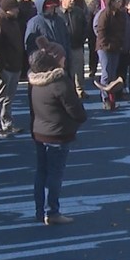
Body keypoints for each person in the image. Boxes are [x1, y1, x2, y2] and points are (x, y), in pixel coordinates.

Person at [28, 38, 87, 225]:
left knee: (41, 172)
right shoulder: (59, 81)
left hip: (40, 130)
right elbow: (74, 108)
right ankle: (52, 211)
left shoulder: (34, 82)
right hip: (58, 133)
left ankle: (40, 210)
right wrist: (80, 118)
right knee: (55, 173)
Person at [0, 0, 26, 137]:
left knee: (9, 98)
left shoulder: (13, 21)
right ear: (8, 9)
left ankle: (7, 123)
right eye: (15, 8)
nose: (17, 10)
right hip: (3, 66)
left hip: (15, 64)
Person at [94, 0, 127, 109]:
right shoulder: (105, 14)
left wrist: (120, 43)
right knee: (106, 73)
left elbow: (122, 30)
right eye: (117, 0)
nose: (119, 2)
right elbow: (101, 31)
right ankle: (105, 98)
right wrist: (106, 45)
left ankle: (112, 99)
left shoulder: (120, 14)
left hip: (116, 47)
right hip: (105, 48)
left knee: (113, 74)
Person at [61, 0, 88, 98]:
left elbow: (85, 27)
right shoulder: (58, 14)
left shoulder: (78, 12)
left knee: (79, 71)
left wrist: (82, 39)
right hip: (63, 48)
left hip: (77, 46)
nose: (72, 1)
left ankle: (80, 90)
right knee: (65, 72)